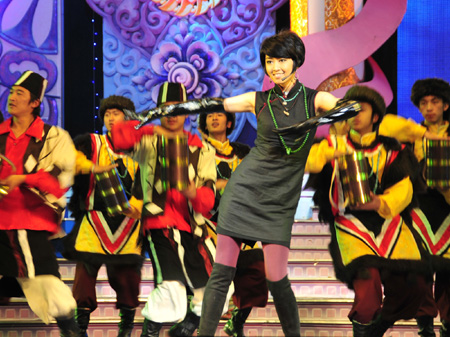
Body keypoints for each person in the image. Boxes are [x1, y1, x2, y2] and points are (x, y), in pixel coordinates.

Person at [122, 30, 361, 336]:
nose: (275, 67)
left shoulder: (315, 99)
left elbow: (351, 107)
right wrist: (159, 111)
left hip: (280, 199)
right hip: (244, 191)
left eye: (282, 61)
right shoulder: (256, 100)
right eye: (269, 61)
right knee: (221, 274)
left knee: (277, 278)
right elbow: (208, 104)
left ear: (296, 61)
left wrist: (308, 124)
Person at [305, 85, 432, 336]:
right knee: (367, 287)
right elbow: (306, 161)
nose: (354, 114)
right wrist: (329, 154)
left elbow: (404, 187)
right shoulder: (333, 144)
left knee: (414, 283)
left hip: (389, 222)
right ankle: (363, 329)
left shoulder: (392, 149)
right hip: (350, 223)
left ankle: (380, 326)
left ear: (375, 117)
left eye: (361, 110)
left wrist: (380, 203)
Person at [112, 82, 226, 337]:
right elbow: (120, 137)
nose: (172, 114)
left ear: (188, 111)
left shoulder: (202, 147)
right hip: (160, 224)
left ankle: (181, 333)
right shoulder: (148, 139)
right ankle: (149, 333)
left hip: (194, 229)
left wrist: (191, 192)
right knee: (171, 287)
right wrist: (146, 118)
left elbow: (207, 198)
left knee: (215, 292)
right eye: (166, 109)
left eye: (178, 108)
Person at [0, 70, 78, 335]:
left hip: (28, 221)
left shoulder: (53, 137)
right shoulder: (0, 134)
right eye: (11, 92)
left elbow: (60, 179)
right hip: (2, 221)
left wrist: (24, 177)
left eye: (19, 93)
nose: (12, 97)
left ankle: (73, 332)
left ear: (35, 103)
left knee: (47, 283)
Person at [62, 95, 144, 337]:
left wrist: (137, 204)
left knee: (128, 279)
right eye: (107, 114)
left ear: (129, 118)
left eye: (116, 113)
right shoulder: (91, 143)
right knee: (84, 276)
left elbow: (148, 181)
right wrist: (89, 166)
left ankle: (126, 327)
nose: (110, 117)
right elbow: (71, 158)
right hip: (94, 220)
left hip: (128, 224)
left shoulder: (142, 149)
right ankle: (81, 327)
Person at [198, 112, 268, 337]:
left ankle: (236, 322)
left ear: (229, 123)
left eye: (219, 115)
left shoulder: (243, 153)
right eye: (210, 116)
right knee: (216, 276)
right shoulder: (196, 151)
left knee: (256, 273)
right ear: (204, 123)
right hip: (206, 223)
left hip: (239, 222)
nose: (214, 119)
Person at [409, 78, 450, 337]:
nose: (429, 108)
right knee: (420, 270)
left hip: (447, 209)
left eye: (435, 102)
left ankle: (448, 321)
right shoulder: (412, 136)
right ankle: (424, 323)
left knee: (448, 269)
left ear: (446, 105)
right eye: (424, 103)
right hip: (420, 210)